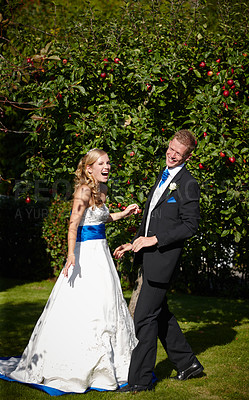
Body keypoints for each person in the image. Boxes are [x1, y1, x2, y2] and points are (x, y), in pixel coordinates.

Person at [0, 149, 139, 395]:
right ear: (89, 169)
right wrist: (71, 254)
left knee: (107, 304)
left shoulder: (103, 190)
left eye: (108, 162)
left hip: (101, 254)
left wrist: (123, 213)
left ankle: (112, 363)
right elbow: (73, 224)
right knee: (83, 305)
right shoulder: (83, 191)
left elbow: (100, 220)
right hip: (85, 254)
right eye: (101, 163)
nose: (107, 166)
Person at [114, 129, 204, 393]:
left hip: (163, 260)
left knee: (144, 317)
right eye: (171, 148)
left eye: (178, 153)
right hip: (149, 257)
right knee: (159, 314)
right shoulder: (163, 176)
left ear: (187, 156)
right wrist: (135, 242)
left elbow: (190, 226)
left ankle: (140, 381)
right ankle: (188, 363)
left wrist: (154, 239)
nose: (172, 155)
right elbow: (152, 217)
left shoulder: (188, 183)